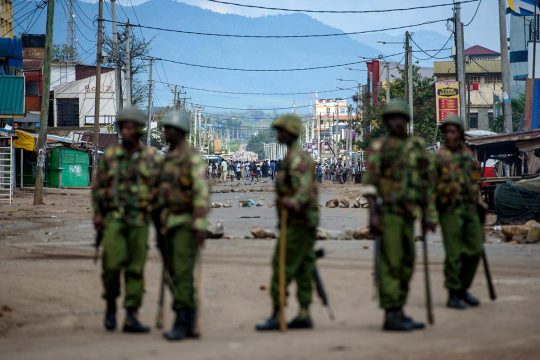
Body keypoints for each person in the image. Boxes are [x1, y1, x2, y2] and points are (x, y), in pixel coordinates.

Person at [363, 99, 437, 332]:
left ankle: (400, 307)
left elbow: (426, 183)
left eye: (400, 118)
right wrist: (373, 216)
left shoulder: (416, 147)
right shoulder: (379, 148)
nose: (396, 122)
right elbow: (371, 186)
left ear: (406, 120)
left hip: (410, 214)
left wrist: (428, 215)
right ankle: (391, 312)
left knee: (407, 263)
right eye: (391, 118)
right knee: (391, 263)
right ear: (387, 121)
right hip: (389, 213)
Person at [92, 107, 160, 333]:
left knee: (135, 268)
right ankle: (111, 305)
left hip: (140, 220)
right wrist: (98, 215)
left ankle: (131, 314)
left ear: (139, 130)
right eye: (123, 127)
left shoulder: (150, 157)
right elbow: (98, 188)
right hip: (114, 218)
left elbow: (159, 190)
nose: (126, 131)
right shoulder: (110, 156)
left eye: (131, 127)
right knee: (111, 265)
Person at [255, 114, 319, 331]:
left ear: (290, 133)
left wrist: (288, 203)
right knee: (303, 267)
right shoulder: (292, 157)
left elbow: (303, 193)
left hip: (297, 223)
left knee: (281, 265)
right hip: (299, 221)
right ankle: (304, 312)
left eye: (281, 131)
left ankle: (277, 312)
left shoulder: (297, 159)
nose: (278, 134)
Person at [154, 110, 209, 341]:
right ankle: (188, 313)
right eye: (164, 128)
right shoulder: (167, 159)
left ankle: (183, 319)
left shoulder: (191, 158)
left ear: (180, 131)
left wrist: (199, 224)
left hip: (186, 223)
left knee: (183, 272)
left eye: (169, 128)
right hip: (166, 223)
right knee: (173, 273)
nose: (165, 132)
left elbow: (200, 193)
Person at [434, 115, 483, 310]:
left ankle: (463, 288)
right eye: (446, 132)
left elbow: (475, 180)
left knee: (474, 250)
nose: (449, 135)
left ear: (460, 134)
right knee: (454, 253)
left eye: (453, 131)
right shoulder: (439, 156)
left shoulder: (467, 155)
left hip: (468, 207)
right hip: (449, 209)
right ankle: (453, 292)